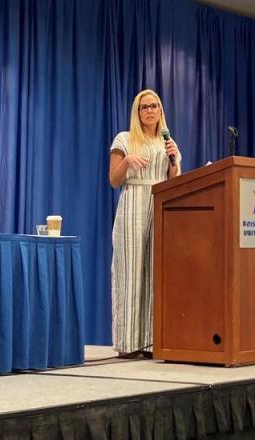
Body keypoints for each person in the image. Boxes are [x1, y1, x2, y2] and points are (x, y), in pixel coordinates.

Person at [109, 89, 181, 356]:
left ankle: (152, 341)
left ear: (161, 111)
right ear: (137, 112)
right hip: (133, 204)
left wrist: (174, 161)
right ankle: (128, 344)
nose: (149, 111)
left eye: (154, 106)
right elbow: (114, 180)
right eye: (144, 107)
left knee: (155, 274)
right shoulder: (125, 139)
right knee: (131, 273)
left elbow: (175, 183)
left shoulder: (168, 142)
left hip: (159, 205)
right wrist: (127, 162)